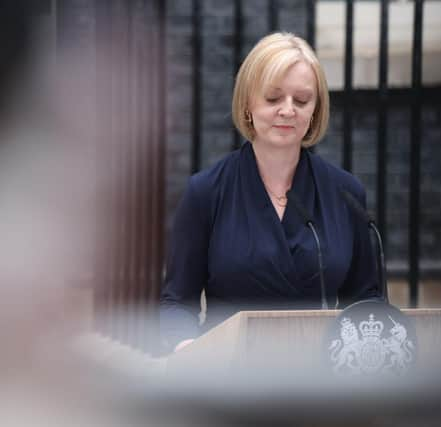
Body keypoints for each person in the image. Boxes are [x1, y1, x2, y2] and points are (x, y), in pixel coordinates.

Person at [160, 32, 380, 353]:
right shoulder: (206, 192)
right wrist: (189, 349)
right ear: (248, 102)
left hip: (320, 378)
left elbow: (366, 302)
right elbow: (177, 302)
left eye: (302, 100)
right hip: (231, 376)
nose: (288, 110)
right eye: (273, 98)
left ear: (315, 110)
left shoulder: (346, 194)